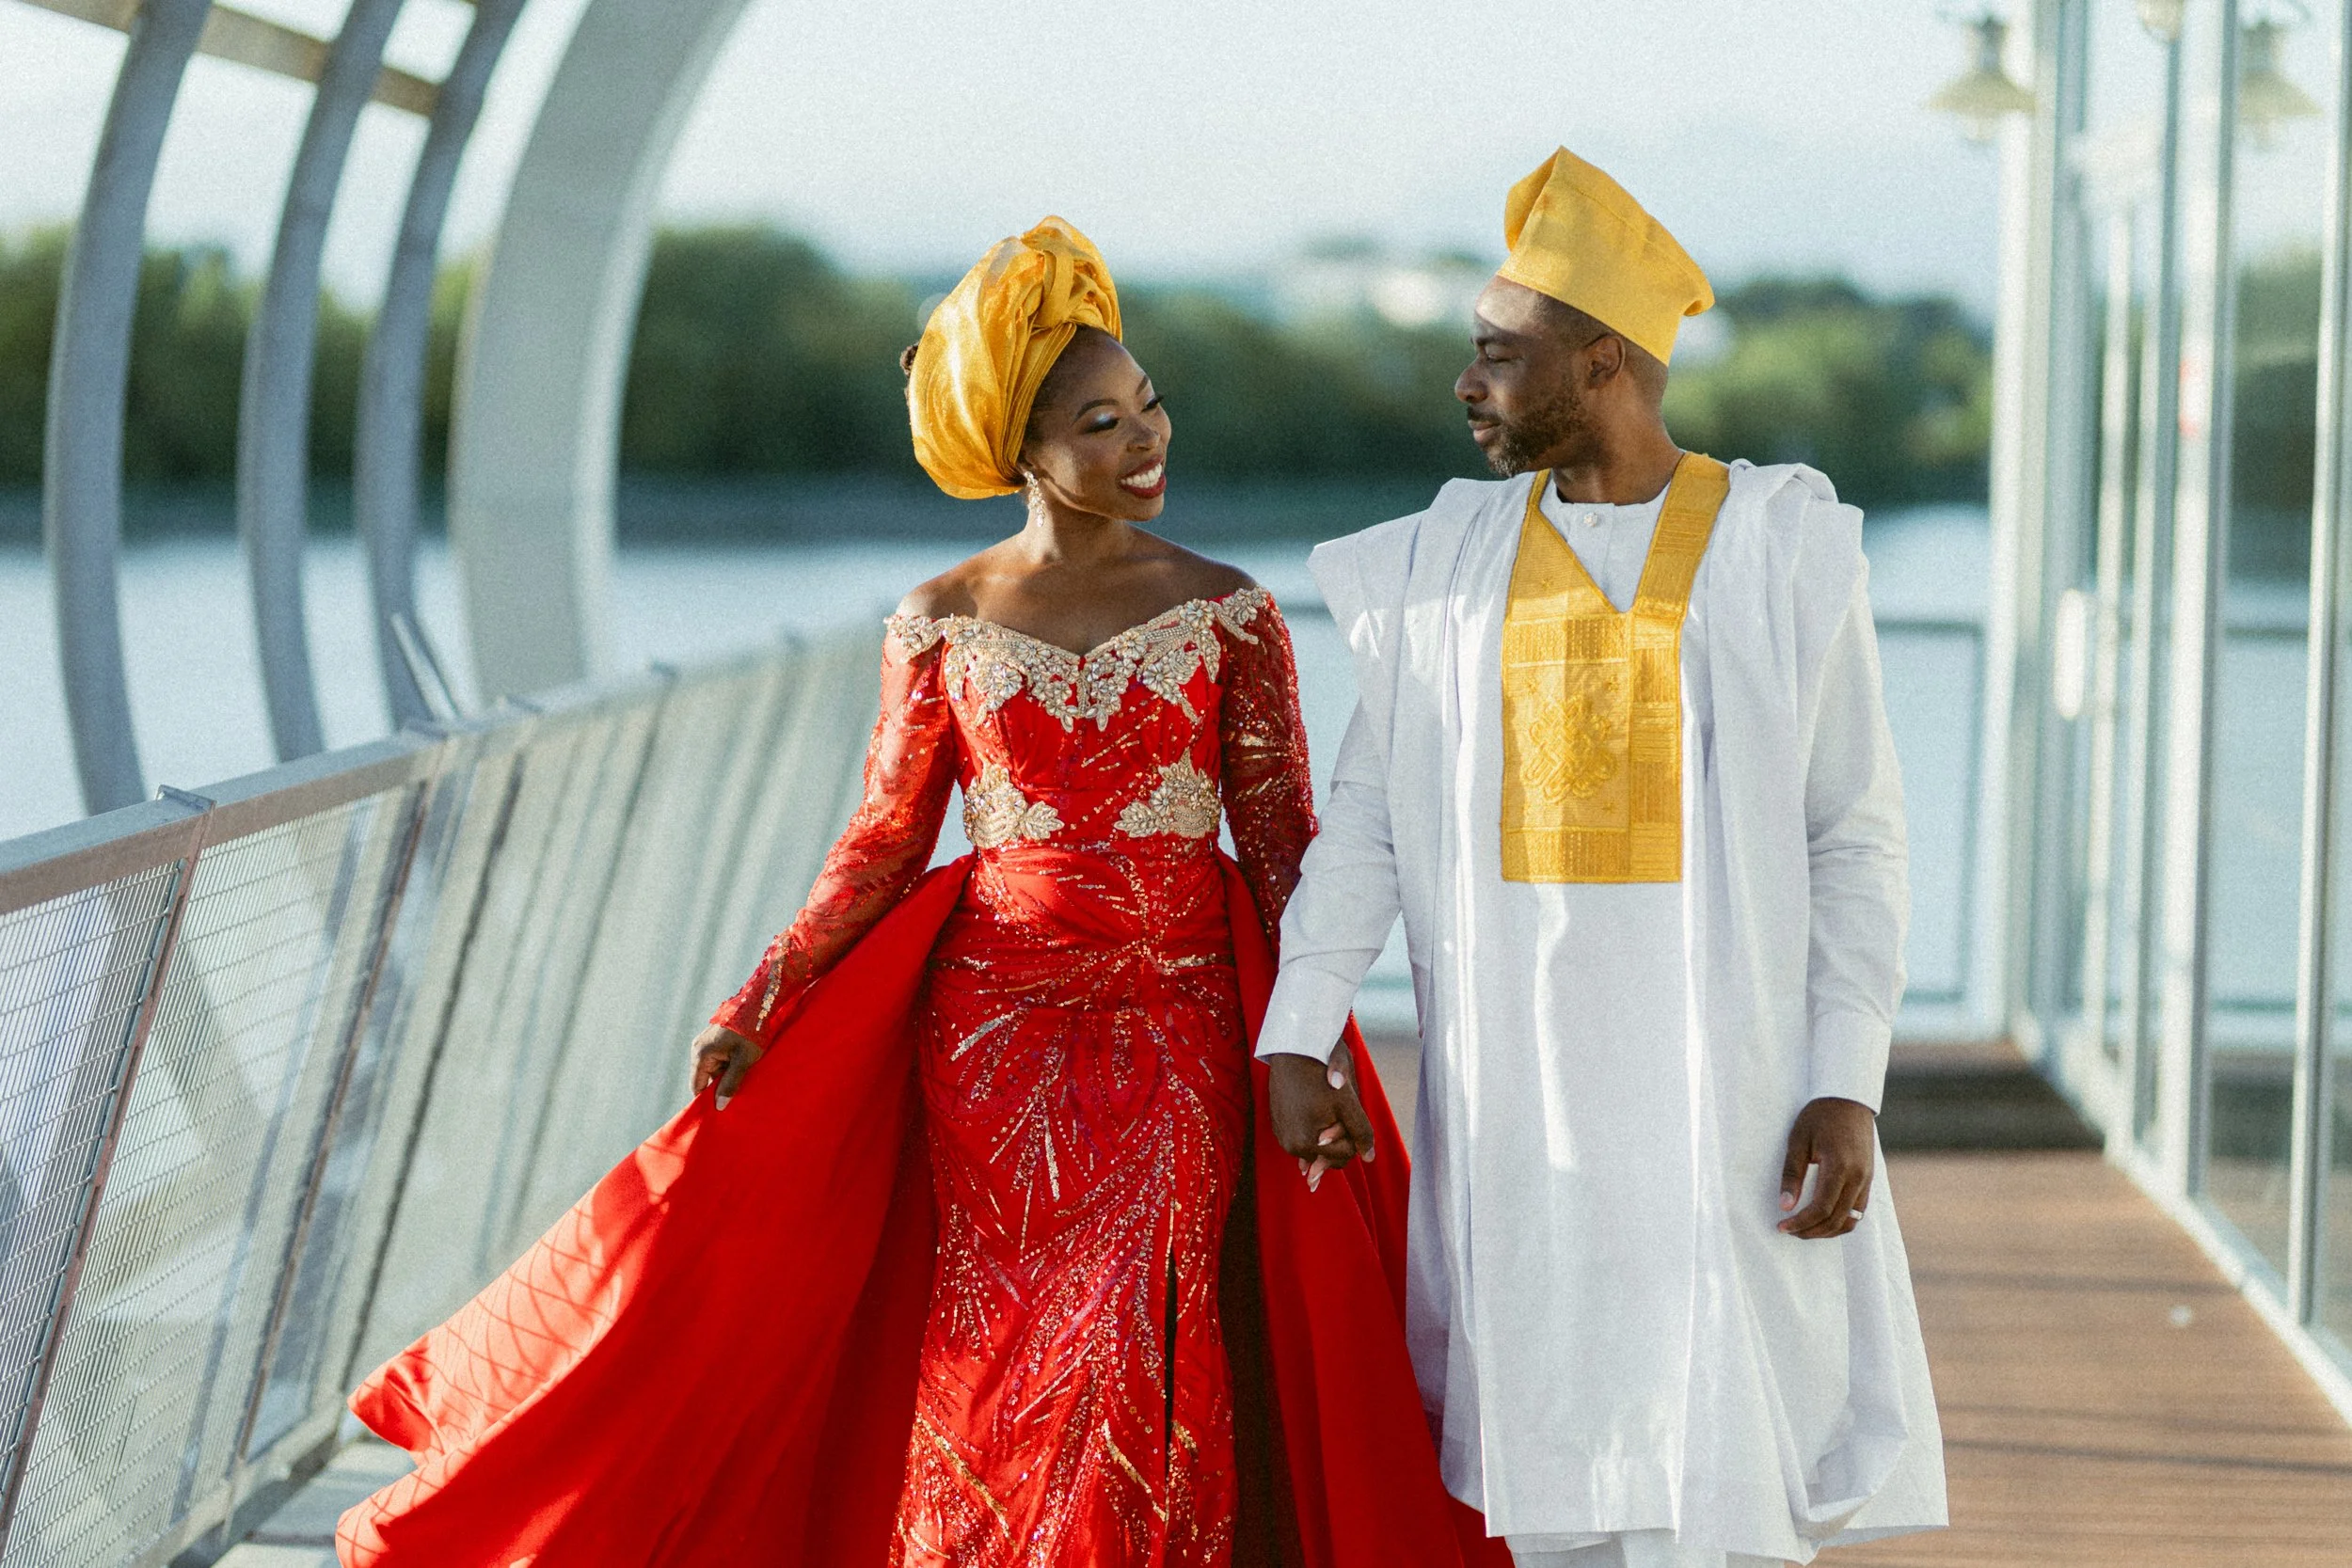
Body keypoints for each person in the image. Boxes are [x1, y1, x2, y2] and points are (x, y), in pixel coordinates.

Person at [335, 218, 1506, 1568]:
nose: (1148, 441)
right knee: (988, 1333)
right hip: (987, 1040)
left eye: (1151, 407)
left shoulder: (1234, 612)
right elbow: (883, 843)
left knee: (1142, 1319)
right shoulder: (937, 617)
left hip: (1183, 1027)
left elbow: (1292, 844)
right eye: (1104, 422)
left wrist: (1314, 1036)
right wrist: (761, 997)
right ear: (1025, 447)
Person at [1256, 150, 1948, 1568]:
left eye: (1501, 355)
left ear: (1608, 361)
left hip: (1731, 1107)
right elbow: (1369, 824)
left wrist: (1844, 1082)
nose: (1469, 381)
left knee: (1730, 1472)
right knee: (1556, 1475)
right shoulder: (1438, 567)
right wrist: (1297, 1026)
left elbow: (1855, 838)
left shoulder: (1781, 549)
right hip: (1525, 1120)